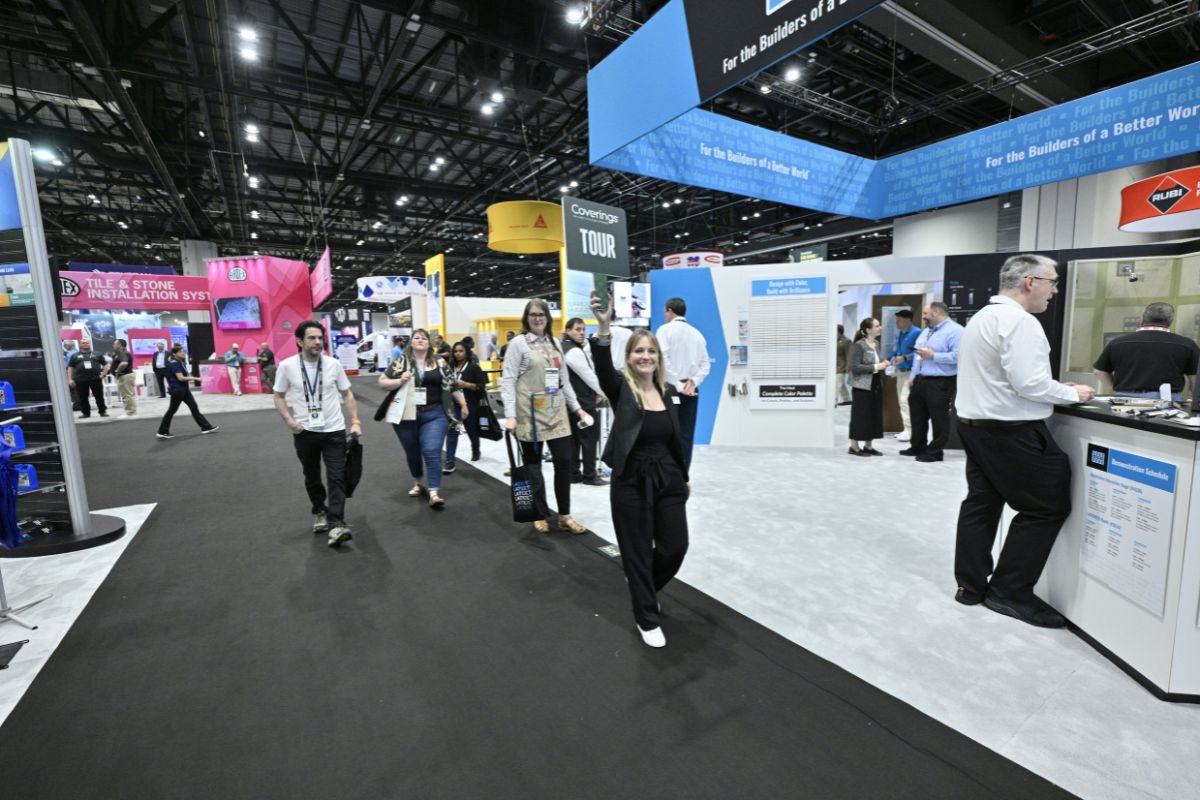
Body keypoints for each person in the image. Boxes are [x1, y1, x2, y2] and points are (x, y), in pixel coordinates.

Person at [954, 253, 1095, 628]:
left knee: (982, 503)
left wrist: (1051, 387)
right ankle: (1010, 592)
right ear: (1030, 281)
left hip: (975, 426)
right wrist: (1073, 393)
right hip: (1010, 432)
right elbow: (1028, 384)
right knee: (1044, 508)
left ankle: (969, 586)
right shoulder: (1020, 322)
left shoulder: (982, 318)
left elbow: (1004, 378)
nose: (1055, 290)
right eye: (1052, 282)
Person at [590, 291, 689, 648]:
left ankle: (643, 585)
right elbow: (602, 367)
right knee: (636, 549)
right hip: (631, 479)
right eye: (638, 351)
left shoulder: (669, 391)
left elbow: (677, 440)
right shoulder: (621, 388)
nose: (645, 356)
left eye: (651, 351)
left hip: (668, 477)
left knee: (675, 547)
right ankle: (646, 616)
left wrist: (684, 477)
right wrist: (604, 328)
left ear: (658, 357)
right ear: (629, 357)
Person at [500, 299, 590, 534]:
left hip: (556, 411)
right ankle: (539, 513)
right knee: (534, 466)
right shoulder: (518, 344)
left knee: (564, 462)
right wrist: (510, 415)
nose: (538, 318)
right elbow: (508, 380)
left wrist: (577, 408)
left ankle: (564, 516)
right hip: (529, 413)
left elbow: (564, 380)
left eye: (541, 314)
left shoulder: (555, 343)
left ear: (548, 318)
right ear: (527, 318)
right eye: (533, 315)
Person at [274, 321, 361, 547]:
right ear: (299, 341)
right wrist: (289, 420)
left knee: (337, 476)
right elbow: (278, 396)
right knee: (312, 476)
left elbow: (347, 393)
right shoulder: (287, 366)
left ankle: (336, 524)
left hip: (334, 430)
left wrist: (355, 421)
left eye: (320, 338)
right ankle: (320, 510)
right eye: (312, 338)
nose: (317, 342)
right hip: (305, 432)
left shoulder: (333, 364)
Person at [378, 329, 466, 508]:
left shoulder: (440, 362)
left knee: (432, 450)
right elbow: (382, 382)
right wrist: (399, 381)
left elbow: (452, 385)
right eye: (416, 338)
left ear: (429, 343)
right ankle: (418, 482)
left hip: (435, 413)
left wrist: (463, 404)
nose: (420, 340)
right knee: (412, 451)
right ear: (411, 342)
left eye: (424, 338)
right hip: (406, 415)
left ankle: (434, 492)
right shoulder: (402, 361)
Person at [1092, 302, 1199, 400]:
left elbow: (1099, 371)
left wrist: (1117, 387)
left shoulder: (1117, 343)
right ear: (1170, 321)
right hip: (1167, 401)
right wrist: (1194, 401)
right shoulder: (1187, 345)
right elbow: (1195, 378)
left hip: (1124, 400)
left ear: (1142, 318)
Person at [900, 302, 963, 463]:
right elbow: (917, 355)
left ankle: (935, 452)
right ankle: (917, 447)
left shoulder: (956, 331)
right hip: (920, 380)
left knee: (939, 419)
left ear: (936, 312)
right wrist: (913, 377)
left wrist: (934, 356)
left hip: (941, 382)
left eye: (926, 314)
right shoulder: (926, 331)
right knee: (918, 416)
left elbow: (958, 356)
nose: (924, 317)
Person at [655, 297, 710, 468]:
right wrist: (693, 382)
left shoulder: (664, 330)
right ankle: (683, 474)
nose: (664, 315)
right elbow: (706, 364)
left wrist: (678, 386)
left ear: (670, 311)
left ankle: (667, 472)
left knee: (665, 433)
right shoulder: (697, 334)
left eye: (665, 312)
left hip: (670, 388)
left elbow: (663, 360)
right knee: (686, 433)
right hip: (691, 390)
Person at [562, 317, 607, 486]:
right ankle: (589, 475)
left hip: (571, 402)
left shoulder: (563, 347)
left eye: (583, 330)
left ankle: (573, 474)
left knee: (573, 439)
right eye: (577, 329)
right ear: (568, 331)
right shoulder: (573, 351)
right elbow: (588, 376)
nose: (581, 333)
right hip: (583, 402)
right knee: (589, 438)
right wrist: (603, 392)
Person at [156, 344, 218, 439]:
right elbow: (180, 378)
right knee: (172, 411)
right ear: (175, 354)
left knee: (194, 408)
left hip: (184, 390)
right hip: (177, 390)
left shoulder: (179, 362)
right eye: (180, 352)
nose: (183, 353)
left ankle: (205, 427)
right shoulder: (174, 363)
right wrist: (195, 378)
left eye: (183, 351)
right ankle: (162, 431)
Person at [848, 318, 888, 456]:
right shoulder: (859, 345)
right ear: (868, 330)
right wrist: (876, 366)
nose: (880, 328)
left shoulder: (876, 343)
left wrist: (885, 362)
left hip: (875, 382)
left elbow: (879, 359)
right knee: (860, 416)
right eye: (877, 326)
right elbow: (855, 367)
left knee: (874, 414)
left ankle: (868, 446)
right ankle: (854, 447)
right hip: (862, 385)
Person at [445, 340, 487, 467]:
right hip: (453, 403)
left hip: (470, 403)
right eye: (455, 351)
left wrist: (466, 384)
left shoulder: (474, 367)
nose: (458, 353)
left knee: (471, 429)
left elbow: (481, 387)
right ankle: (450, 460)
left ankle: (476, 450)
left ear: (467, 352)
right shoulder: (449, 366)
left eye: (461, 351)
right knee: (453, 430)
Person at [888, 309, 921, 439]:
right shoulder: (900, 334)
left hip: (911, 372)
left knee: (905, 400)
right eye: (896, 319)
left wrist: (906, 357)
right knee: (901, 401)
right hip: (900, 372)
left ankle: (910, 430)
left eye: (899, 320)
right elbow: (897, 352)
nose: (896, 322)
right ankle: (906, 429)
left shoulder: (917, 332)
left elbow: (920, 351)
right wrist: (892, 358)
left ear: (908, 320)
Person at [67, 339, 109, 418]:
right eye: (83, 343)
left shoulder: (97, 354)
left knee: (99, 396)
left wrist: (103, 374)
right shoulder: (74, 356)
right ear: (80, 345)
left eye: (87, 343)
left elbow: (105, 365)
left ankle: (102, 411)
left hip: (95, 378)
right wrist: (70, 379)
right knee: (82, 397)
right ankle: (86, 413)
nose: (85, 344)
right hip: (80, 379)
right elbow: (70, 368)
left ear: (89, 344)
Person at [110, 338, 137, 416]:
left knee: (127, 395)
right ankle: (131, 412)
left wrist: (117, 372)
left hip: (125, 376)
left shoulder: (122, 352)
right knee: (128, 395)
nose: (113, 345)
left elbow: (124, 363)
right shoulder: (121, 353)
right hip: (125, 376)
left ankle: (130, 413)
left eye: (114, 344)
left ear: (120, 345)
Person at [835, 324, 852, 406]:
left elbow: (849, 354)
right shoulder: (833, 340)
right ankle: (847, 399)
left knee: (837, 384)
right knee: (841, 384)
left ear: (839, 331)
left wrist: (848, 366)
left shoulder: (847, 341)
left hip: (841, 366)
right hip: (834, 366)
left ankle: (833, 402)